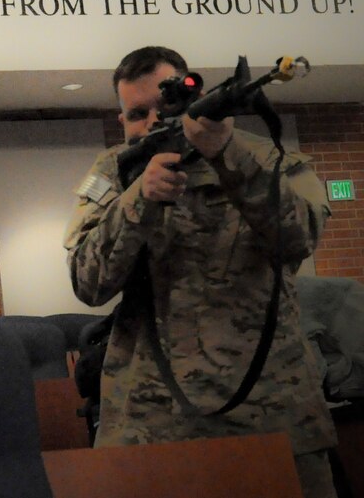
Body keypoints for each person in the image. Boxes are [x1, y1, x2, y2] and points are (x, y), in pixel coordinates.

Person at [64, 45, 338, 498]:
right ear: (121, 121)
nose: (153, 122)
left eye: (165, 105)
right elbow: (87, 282)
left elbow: (300, 238)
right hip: (150, 422)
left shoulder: (272, 160)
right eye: (137, 113)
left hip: (271, 411)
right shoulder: (115, 171)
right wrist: (139, 200)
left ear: (194, 97)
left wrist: (226, 155)